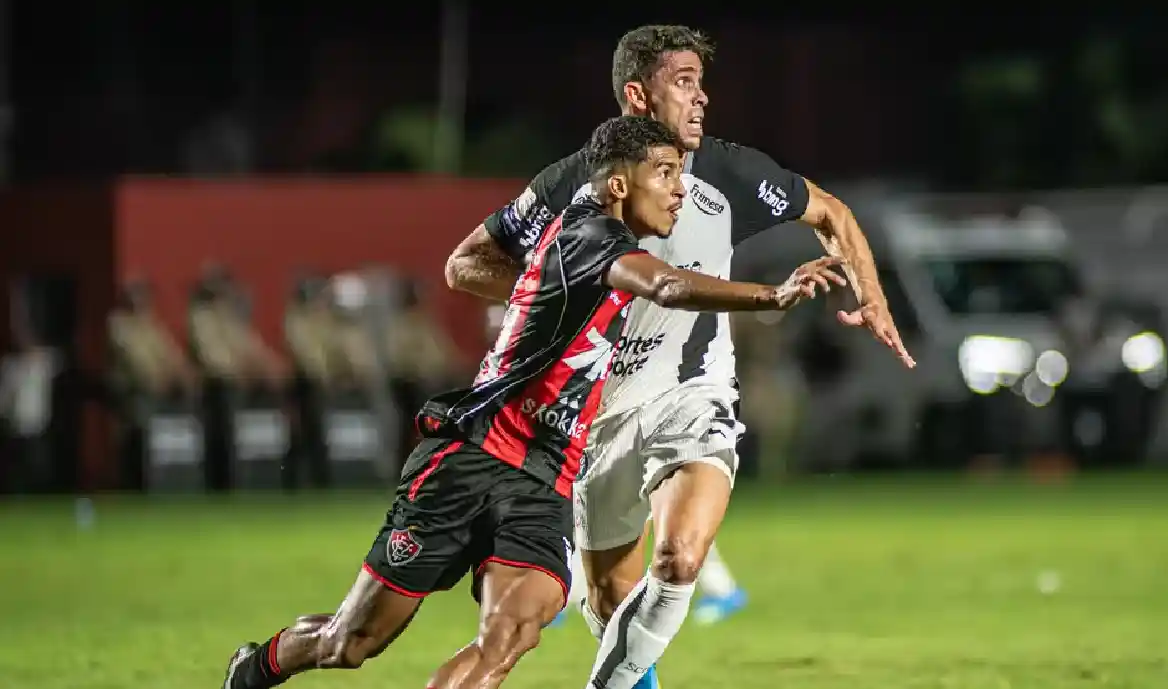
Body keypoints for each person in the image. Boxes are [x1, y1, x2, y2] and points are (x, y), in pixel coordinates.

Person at [220, 115, 846, 689]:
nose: (680, 189)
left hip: (547, 481)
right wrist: (771, 296)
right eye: (665, 173)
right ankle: (256, 668)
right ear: (619, 185)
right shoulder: (586, 235)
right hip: (474, 458)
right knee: (352, 642)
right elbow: (668, 285)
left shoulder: (617, 245)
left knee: (508, 639)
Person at [444, 25, 915, 689]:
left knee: (680, 555)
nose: (702, 100)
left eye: (702, 83)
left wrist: (875, 300)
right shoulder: (576, 183)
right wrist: (559, 283)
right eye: (684, 83)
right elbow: (466, 264)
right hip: (594, 419)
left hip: (691, 395)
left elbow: (831, 212)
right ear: (638, 95)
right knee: (610, 601)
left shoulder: (728, 173)